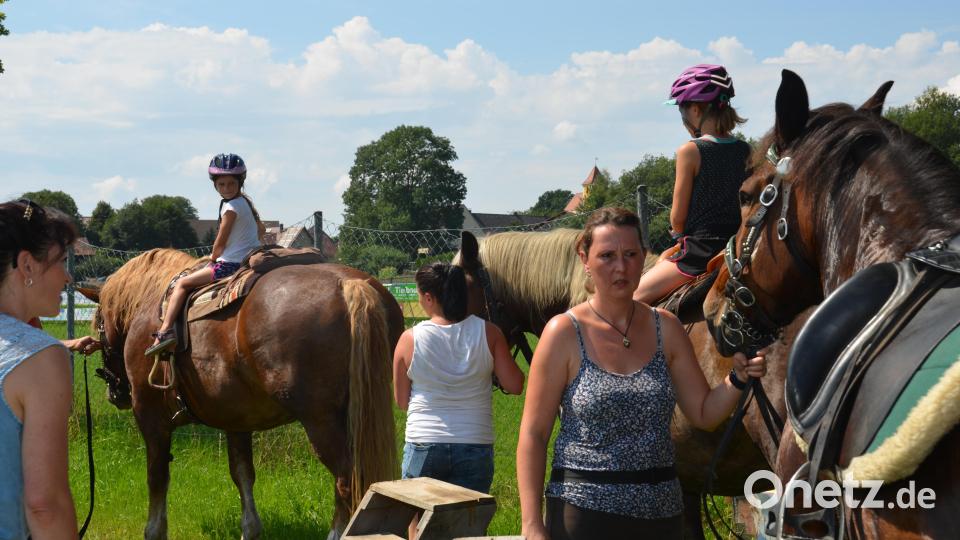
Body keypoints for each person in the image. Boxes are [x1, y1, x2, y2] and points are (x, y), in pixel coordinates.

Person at [518, 207, 767, 540]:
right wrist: (532, 524)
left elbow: (703, 413)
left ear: (644, 257)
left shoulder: (667, 328)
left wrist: (737, 378)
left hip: (662, 515)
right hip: (584, 515)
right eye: (607, 256)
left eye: (630, 254)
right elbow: (533, 436)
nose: (620, 267)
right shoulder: (563, 332)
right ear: (585, 259)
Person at [394, 261, 525, 535]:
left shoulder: (409, 339)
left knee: (418, 524)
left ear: (429, 298)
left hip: (424, 443)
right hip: (474, 444)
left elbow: (402, 401)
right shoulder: (489, 333)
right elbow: (514, 385)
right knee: (467, 529)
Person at [634, 64, 751, 305]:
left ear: (696, 110)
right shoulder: (745, 150)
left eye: (682, 111)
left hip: (699, 254)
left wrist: (677, 234)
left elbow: (677, 218)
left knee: (628, 299)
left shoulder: (691, 151)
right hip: (737, 249)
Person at [1, 199, 80, 539]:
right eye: (61, 261)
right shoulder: (40, 357)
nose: (67, 276)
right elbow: (44, 505)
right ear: (27, 265)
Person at [147, 153, 265, 355]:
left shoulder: (230, 207)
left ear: (240, 182)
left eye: (230, 184)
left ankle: (165, 331)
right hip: (249, 260)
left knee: (182, 284)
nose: (226, 189)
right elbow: (261, 230)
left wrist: (213, 257)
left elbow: (220, 241)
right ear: (216, 185)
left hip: (230, 265)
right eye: (222, 185)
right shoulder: (245, 202)